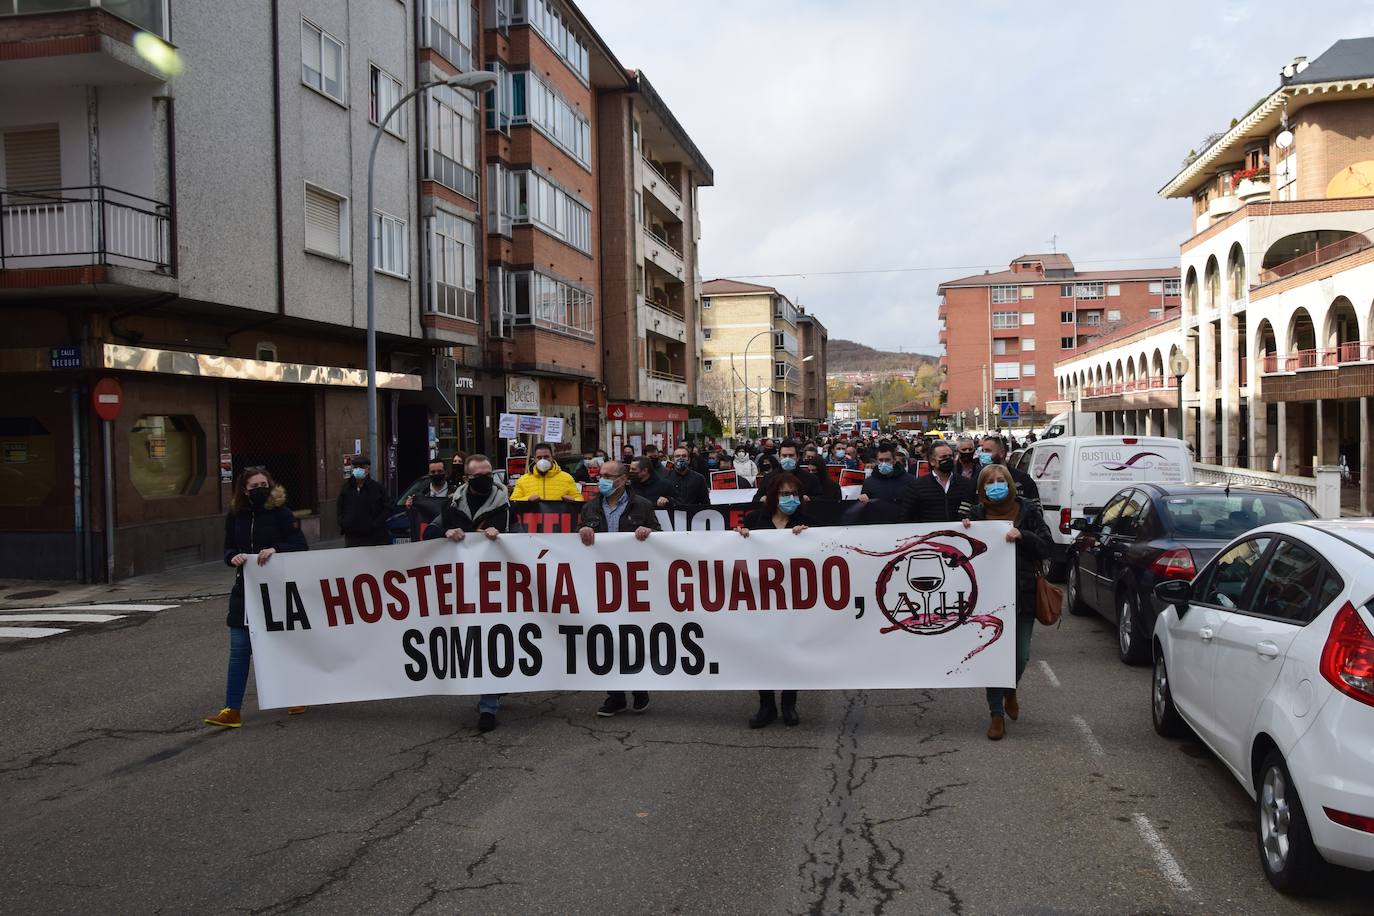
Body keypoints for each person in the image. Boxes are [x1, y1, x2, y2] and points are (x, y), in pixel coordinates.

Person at [205, 467, 309, 728]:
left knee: (282, 645)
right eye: (254, 486)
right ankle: (232, 710)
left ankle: (295, 694)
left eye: (264, 483)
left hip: (276, 591)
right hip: (245, 592)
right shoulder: (235, 515)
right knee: (239, 651)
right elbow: (228, 548)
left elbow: (300, 545)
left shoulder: (281, 513)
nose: (260, 488)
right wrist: (233, 557)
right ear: (244, 490)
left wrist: (276, 549)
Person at [962, 464, 1052, 741]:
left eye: (1001, 480)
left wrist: (1023, 535)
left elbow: (1048, 546)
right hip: (989, 598)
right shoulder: (975, 514)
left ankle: (1010, 689)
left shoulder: (1027, 511)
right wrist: (963, 529)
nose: (996, 485)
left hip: (1022, 594)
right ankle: (996, 713)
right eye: (991, 482)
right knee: (993, 656)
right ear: (982, 488)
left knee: (1021, 655)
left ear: (1011, 483)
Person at [423, 455, 509, 732]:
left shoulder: (505, 505)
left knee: (491, 640)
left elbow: (522, 537)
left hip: (496, 585)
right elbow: (430, 533)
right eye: (479, 475)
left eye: (489, 473)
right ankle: (493, 689)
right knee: (472, 640)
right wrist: (446, 532)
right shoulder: (453, 504)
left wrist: (504, 535)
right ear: (467, 478)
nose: (486, 479)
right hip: (462, 585)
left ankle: (488, 706)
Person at [579, 460, 660, 717]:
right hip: (601, 584)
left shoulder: (642, 506)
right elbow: (576, 544)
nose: (601, 480)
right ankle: (614, 696)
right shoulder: (590, 508)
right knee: (605, 638)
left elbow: (660, 537)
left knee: (632, 637)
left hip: (633, 584)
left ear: (624, 479)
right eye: (599, 475)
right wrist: (581, 530)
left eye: (608, 476)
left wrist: (649, 531)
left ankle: (639, 689)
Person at [735, 472, 812, 728]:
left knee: (791, 651)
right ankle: (766, 705)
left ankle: (789, 704)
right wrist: (741, 535)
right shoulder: (756, 519)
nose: (789, 499)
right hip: (761, 598)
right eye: (784, 494)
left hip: (794, 599)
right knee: (762, 651)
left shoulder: (806, 521)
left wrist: (809, 536)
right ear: (772, 496)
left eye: (793, 494)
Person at [909, 440, 973, 523]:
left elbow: (970, 511)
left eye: (950, 456)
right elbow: (908, 516)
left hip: (957, 534)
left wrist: (968, 519)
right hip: (929, 534)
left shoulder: (965, 483)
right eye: (943, 457)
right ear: (932, 461)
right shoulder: (917, 486)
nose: (948, 459)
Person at [337, 456, 390, 547]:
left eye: (361, 467)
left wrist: (375, 524)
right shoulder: (346, 488)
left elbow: (387, 507)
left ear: (368, 469)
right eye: (356, 467)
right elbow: (340, 507)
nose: (358, 470)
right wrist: (343, 523)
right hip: (352, 536)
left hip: (373, 536)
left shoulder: (377, 488)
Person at [510, 442, 582, 502]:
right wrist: (527, 499)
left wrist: (573, 500)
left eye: (546, 457)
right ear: (534, 459)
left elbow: (579, 499)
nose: (543, 460)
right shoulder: (523, 481)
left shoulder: (567, 478)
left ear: (552, 457)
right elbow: (513, 501)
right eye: (539, 457)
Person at [979, 435, 1039, 502]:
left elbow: (1035, 509)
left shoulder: (1023, 479)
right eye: (983, 451)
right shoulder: (979, 478)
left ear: (1001, 453)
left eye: (988, 451)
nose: (983, 455)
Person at [858, 440, 915, 512]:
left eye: (887, 460)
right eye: (881, 460)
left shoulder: (909, 480)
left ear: (894, 460)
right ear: (876, 461)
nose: (884, 463)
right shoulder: (869, 482)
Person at [756, 439, 821, 500]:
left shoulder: (811, 479)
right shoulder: (769, 478)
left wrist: (809, 499)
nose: (788, 459)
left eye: (791, 455)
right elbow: (756, 498)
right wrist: (762, 499)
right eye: (784, 456)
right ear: (779, 457)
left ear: (798, 457)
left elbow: (820, 499)